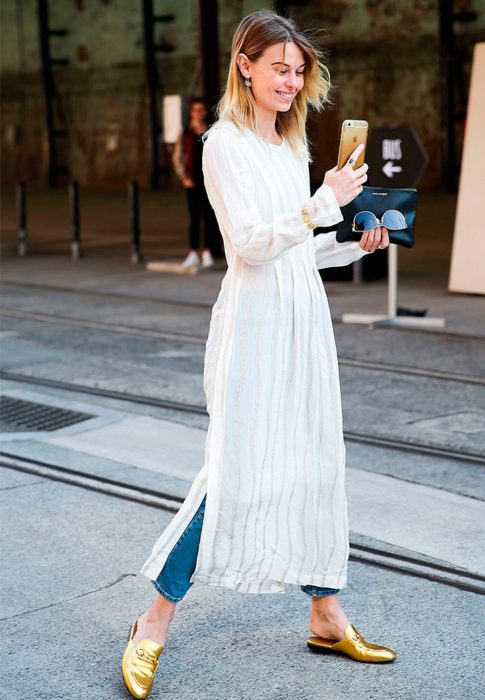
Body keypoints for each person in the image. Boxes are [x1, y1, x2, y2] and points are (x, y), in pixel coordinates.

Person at [122, 10, 395, 699]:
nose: (290, 79)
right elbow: (247, 244)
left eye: (298, 69)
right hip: (254, 325)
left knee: (317, 463)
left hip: (303, 319)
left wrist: (351, 238)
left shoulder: (290, 145)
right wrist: (321, 202)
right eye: (278, 66)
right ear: (244, 65)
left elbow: (297, 248)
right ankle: (152, 621)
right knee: (235, 470)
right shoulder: (223, 145)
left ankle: (326, 614)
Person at [172, 96, 219, 269]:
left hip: (210, 182)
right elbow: (177, 156)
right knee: (194, 217)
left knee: (209, 216)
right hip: (192, 181)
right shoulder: (185, 132)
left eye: (201, 110)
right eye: (196, 110)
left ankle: (207, 251)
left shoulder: (211, 132)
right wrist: (184, 177)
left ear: (205, 113)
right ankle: (193, 252)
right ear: (191, 113)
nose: (199, 113)